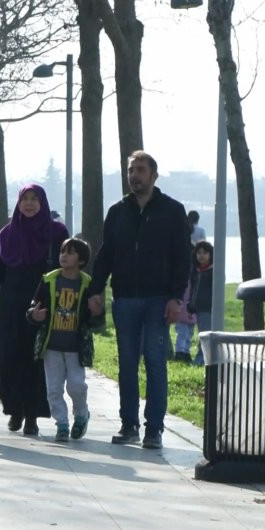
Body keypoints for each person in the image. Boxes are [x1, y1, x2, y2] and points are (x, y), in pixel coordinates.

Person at [89, 150, 190, 450]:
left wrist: (175, 298)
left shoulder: (173, 210)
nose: (134, 175)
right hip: (125, 300)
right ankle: (129, 424)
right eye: (131, 170)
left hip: (159, 300)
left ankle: (154, 429)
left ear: (154, 175)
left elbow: (182, 258)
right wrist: (96, 290)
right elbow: (106, 254)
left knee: (156, 362)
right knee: (127, 363)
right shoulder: (117, 211)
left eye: (140, 170)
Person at [0, 184, 69, 437]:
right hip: (11, 307)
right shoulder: (8, 234)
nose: (29, 204)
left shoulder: (56, 233)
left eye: (34, 199)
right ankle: (14, 409)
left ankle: (32, 414)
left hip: (43, 307)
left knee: (36, 362)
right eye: (25, 199)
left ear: (43, 202)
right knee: (9, 359)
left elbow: (69, 266)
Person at [27, 238, 100, 442]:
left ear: (82, 260)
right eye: (62, 251)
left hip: (76, 348)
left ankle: (81, 414)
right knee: (54, 389)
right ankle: (62, 424)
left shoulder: (87, 284)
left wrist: (97, 312)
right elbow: (34, 306)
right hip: (51, 346)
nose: (63, 256)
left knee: (76, 386)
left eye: (70, 252)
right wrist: (34, 314)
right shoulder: (49, 280)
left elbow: (96, 317)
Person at [187, 241, 214, 365]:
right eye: (199, 253)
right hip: (197, 307)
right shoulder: (196, 271)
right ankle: (201, 357)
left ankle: (201, 359)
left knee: (205, 334)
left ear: (210, 254)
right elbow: (193, 290)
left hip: (207, 308)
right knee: (201, 333)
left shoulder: (212, 271)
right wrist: (190, 306)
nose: (201, 255)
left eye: (205, 253)